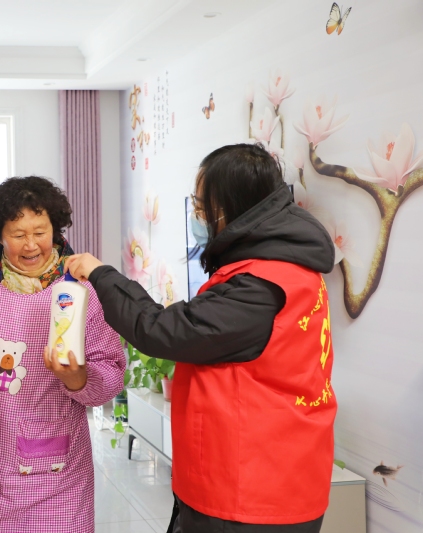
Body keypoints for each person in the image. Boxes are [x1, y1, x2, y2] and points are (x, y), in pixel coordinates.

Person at [66, 143, 337, 533]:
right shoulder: (287, 268)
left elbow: (160, 330)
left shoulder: (260, 287)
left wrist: (100, 274)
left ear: (231, 206)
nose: (198, 214)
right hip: (271, 473)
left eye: (202, 204)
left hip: (251, 492)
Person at [0, 176, 126, 533]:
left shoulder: (83, 288)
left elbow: (111, 374)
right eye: (18, 234)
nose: (31, 245)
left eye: (40, 232)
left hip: (57, 475)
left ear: (56, 229)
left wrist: (77, 378)